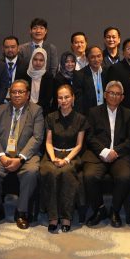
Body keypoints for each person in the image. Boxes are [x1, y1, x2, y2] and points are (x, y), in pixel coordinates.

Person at [0, 79, 45, 228]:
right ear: (9, 94)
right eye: (14, 92)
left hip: (26, 155)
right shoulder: (0, 109)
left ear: (28, 94)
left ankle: (22, 212)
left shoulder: (36, 110)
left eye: (21, 92)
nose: (17, 95)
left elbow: (37, 137)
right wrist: (2, 156)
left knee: (31, 172)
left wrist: (21, 158)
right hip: (2, 154)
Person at [83, 80, 130, 227]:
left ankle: (115, 210)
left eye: (118, 94)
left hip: (120, 155)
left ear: (122, 97)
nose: (114, 96)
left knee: (125, 177)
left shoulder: (129, 114)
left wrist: (115, 152)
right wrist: (104, 151)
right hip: (98, 154)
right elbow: (90, 137)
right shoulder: (93, 112)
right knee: (89, 176)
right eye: (111, 93)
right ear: (105, 95)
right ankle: (99, 209)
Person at [40, 84, 87, 232]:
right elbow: (48, 142)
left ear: (73, 98)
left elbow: (79, 145)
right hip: (52, 154)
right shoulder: (50, 117)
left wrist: (66, 160)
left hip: (72, 155)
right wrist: (53, 158)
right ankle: (53, 217)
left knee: (66, 172)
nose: (63, 100)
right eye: (60, 97)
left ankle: (66, 217)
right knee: (49, 171)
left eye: (67, 97)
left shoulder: (80, 118)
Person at [73, 46, 107, 114]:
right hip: (88, 114)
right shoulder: (80, 75)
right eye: (92, 57)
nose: (96, 59)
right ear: (87, 58)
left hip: (105, 113)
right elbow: (79, 101)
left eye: (99, 56)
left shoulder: (107, 72)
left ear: (102, 57)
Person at [25, 49, 55, 113]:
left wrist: (35, 108)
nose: (38, 62)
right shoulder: (25, 75)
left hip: (42, 110)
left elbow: (48, 97)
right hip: (25, 109)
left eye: (41, 60)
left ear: (45, 61)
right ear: (31, 60)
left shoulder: (48, 76)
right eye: (35, 59)